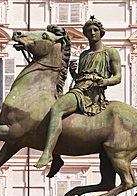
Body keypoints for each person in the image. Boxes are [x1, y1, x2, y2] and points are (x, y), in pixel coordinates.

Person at [35, 16, 122, 169]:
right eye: (89, 31)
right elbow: (79, 79)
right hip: (79, 88)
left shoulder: (110, 52)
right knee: (51, 109)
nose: (92, 33)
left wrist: (106, 81)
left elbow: (118, 77)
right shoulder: (84, 55)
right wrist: (73, 73)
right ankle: (57, 157)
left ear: (101, 32)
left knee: (56, 110)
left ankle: (48, 153)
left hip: (91, 92)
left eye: (95, 30)